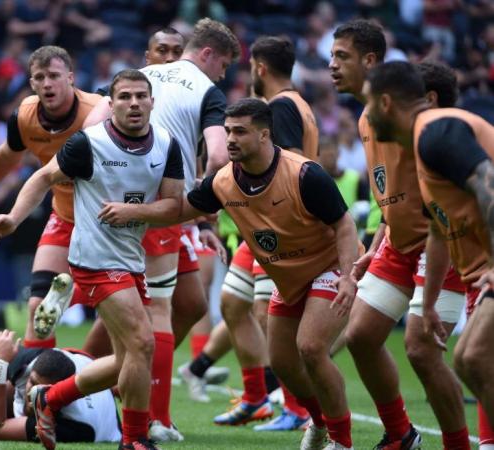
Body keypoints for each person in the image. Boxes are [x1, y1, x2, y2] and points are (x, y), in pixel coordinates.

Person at [100, 98, 362, 450]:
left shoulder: (304, 174)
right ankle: (317, 422)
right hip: (287, 279)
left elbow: (344, 226)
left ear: (265, 135)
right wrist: (135, 211)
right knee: (284, 363)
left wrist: (348, 276)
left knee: (311, 347)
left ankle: (342, 441)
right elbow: (179, 210)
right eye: (227, 132)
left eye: (240, 131)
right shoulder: (222, 181)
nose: (230, 139)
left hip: (328, 268)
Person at [0, 69, 184, 450]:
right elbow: (42, 178)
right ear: (111, 105)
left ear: (153, 102)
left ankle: (49, 397)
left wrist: (132, 213)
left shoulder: (167, 145)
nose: (134, 104)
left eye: (141, 96)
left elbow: (173, 205)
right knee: (143, 343)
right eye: (124, 97)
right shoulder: (88, 144)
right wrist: (12, 217)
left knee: (125, 358)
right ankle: (135, 439)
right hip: (93, 259)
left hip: (130, 260)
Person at [83, 19, 239, 441]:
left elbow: (88, 130)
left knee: (190, 303)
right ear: (208, 55)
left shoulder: (142, 80)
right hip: (160, 206)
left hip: (159, 209)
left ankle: (92, 371)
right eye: (223, 65)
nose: (222, 75)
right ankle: (152, 417)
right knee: (157, 311)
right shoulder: (207, 90)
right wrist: (207, 204)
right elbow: (220, 157)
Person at [329, 20, 469, 449]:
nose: (332, 66)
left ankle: (458, 443)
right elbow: (390, 193)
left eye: (342, 57)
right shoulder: (369, 116)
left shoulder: (413, 117)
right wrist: (374, 248)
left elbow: (439, 199)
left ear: (370, 61)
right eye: (332, 56)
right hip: (396, 243)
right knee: (359, 336)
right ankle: (400, 434)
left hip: (443, 241)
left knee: (422, 351)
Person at [180, 35, 321, 429]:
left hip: (279, 226)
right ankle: (256, 397)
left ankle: (294, 407)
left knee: (267, 316)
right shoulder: (300, 104)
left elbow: (290, 166)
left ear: (259, 67)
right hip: (261, 226)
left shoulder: (278, 108)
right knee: (232, 302)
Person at [363, 60, 494, 447]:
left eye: (368, 104)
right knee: (470, 358)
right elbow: (438, 227)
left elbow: (489, 183)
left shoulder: (436, 131)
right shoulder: (421, 149)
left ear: (385, 103)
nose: (365, 114)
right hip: (472, 269)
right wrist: (431, 301)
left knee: (474, 357)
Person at [0, 45, 102, 350]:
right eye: (39, 77)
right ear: (31, 83)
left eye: (54, 76)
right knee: (36, 308)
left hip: (106, 222)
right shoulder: (25, 116)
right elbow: (8, 155)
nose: (47, 84)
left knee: (110, 315)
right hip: (65, 217)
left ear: (71, 77)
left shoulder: (97, 112)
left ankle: (85, 374)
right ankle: (33, 390)